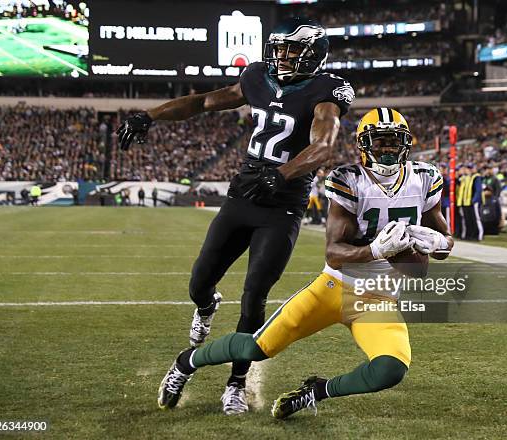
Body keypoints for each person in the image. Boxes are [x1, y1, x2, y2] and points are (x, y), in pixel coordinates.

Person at [117, 17, 354, 414]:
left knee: (254, 295)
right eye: (279, 49)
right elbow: (203, 102)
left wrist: (281, 176)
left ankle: (236, 383)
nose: (282, 57)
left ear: (313, 55)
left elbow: (324, 148)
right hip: (243, 195)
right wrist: (150, 115)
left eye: (292, 51)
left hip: (282, 204)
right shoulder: (258, 77)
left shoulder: (326, 91)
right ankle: (207, 306)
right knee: (198, 283)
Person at [157, 108, 453, 418]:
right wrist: (375, 251)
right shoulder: (348, 178)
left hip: (380, 299)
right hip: (334, 288)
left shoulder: (424, 177)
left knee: (390, 369)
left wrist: (439, 243)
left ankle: (315, 390)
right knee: (255, 348)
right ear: (363, 145)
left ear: (406, 143)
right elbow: (334, 254)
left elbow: (444, 241)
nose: (388, 150)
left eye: (394, 142)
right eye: (379, 142)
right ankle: (187, 362)